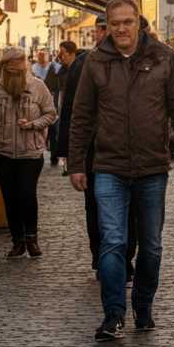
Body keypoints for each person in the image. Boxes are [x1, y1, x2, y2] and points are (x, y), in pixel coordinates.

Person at [68, 0, 174, 341]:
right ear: (106, 27)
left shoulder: (163, 57)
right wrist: (76, 163)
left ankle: (142, 305)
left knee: (151, 245)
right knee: (113, 241)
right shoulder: (96, 61)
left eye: (128, 22)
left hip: (153, 166)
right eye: (115, 23)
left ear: (139, 22)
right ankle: (113, 314)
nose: (121, 29)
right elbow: (81, 118)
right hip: (108, 165)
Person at [54, 18, 138, 279]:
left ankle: (119, 258)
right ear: (102, 31)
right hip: (93, 148)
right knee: (97, 205)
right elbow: (71, 110)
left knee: (127, 206)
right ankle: (106, 257)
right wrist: (68, 151)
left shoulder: (138, 59)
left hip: (131, 148)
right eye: (110, 27)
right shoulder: (85, 62)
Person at [0, 47, 58, 257]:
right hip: (3, 152)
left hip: (31, 153)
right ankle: (17, 240)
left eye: (18, 73)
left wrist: (33, 124)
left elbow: (51, 114)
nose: (14, 77)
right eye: (10, 72)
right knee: (10, 197)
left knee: (27, 194)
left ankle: (32, 238)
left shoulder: (37, 86)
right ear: (4, 69)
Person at [48, 41, 78, 165]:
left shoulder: (79, 68)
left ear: (72, 54)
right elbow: (53, 85)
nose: (61, 56)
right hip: (63, 106)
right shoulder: (61, 70)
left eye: (63, 53)